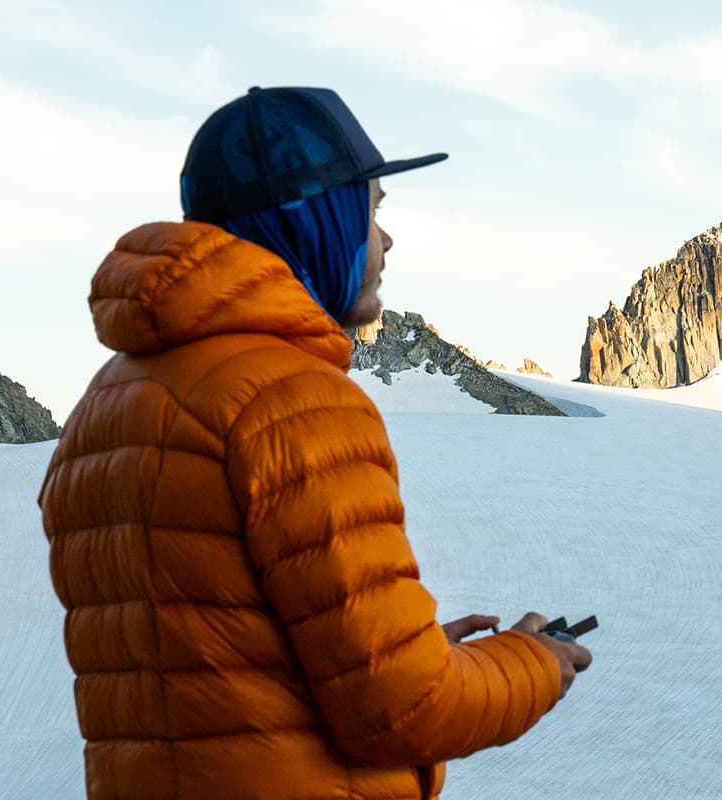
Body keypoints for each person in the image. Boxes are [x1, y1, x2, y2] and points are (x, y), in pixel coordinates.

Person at [38, 86, 590, 799]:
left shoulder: (104, 408)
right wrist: (534, 660)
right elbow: (408, 708)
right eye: (374, 208)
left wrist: (407, 651)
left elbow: (202, 674)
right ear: (314, 218)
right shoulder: (291, 402)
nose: (386, 239)